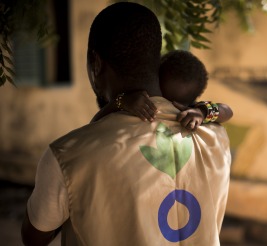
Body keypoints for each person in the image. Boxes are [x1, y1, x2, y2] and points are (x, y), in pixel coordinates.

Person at [21, 2, 231, 246]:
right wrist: (207, 111)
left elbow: (33, 237)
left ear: (96, 63)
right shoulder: (216, 137)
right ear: (156, 60)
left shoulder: (68, 154)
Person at [91, 50, 233, 130]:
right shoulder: (137, 103)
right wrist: (121, 101)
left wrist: (202, 112)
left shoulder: (192, 112)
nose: (161, 104)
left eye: (171, 102)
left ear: (188, 102)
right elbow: (94, 126)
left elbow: (227, 111)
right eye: (159, 94)